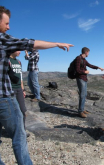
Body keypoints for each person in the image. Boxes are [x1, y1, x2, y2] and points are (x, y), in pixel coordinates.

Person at [0, 6, 73, 165]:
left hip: (25, 78)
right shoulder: (2, 39)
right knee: (19, 135)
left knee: (34, 82)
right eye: (6, 23)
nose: (9, 27)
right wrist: (56, 43)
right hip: (3, 97)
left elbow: (30, 53)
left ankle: (37, 96)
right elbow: (30, 43)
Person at [75, 47, 104, 118]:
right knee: (82, 95)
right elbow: (77, 70)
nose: (89, 54)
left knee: (84, 95)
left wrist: (98, 68)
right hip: (80, 78)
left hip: (84, 78)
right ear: (86, 52)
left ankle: (82, 109)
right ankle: (80, 111)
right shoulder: (78, 58)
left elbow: (90, 65)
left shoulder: (84, 60)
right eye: (88, 52)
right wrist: (85, 72)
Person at [9, 51, 30, 136]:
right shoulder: (6, 61)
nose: (19, 52)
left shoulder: (18, 62)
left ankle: (22, 130)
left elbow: (20, 77)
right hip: (9, 89)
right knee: (9, 111)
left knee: (22, 110)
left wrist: (23, 89)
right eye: (18, 50)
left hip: (18, 89)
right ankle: (12, 131)